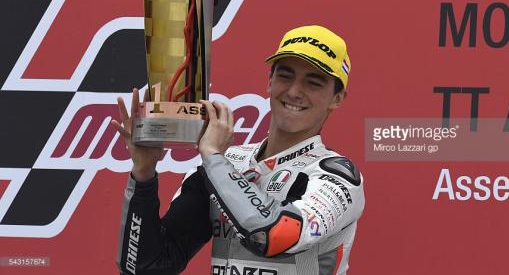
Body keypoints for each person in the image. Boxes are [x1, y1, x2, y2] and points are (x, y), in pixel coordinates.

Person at [114, 25, 365, 275]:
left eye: (313, 83)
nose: (294, 91)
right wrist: (144, 174)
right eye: (285, 76)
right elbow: (145, 267)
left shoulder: (336, 176)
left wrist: (213, 156)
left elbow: (275, 235)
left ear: (337, 98)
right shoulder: (226, 163)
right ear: (269, 81)